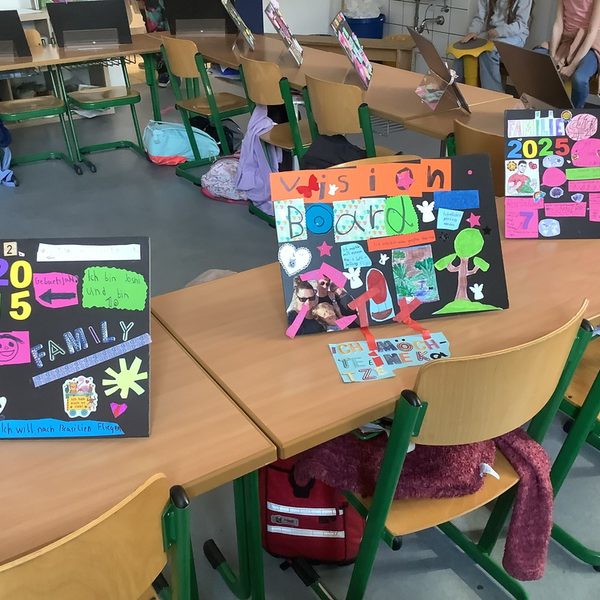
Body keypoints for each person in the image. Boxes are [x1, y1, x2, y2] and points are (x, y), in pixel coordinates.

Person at [455, 0, 533, 92]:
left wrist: (499, 31)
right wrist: (473, 32)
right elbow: (479, 17)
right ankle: (455, 89)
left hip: (515, 35)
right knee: (464, 48)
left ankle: (493, 94)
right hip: (492, 33)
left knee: (488, 51)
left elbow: (521, 24)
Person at [538, 0, 600, 108]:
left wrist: (572, 66)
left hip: (590, 44)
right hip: (567, 41)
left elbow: (592, 31)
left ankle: (575, 114)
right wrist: (552, 57)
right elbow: (558, 24)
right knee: (537, 57)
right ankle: (539, 108)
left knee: (579, 79)